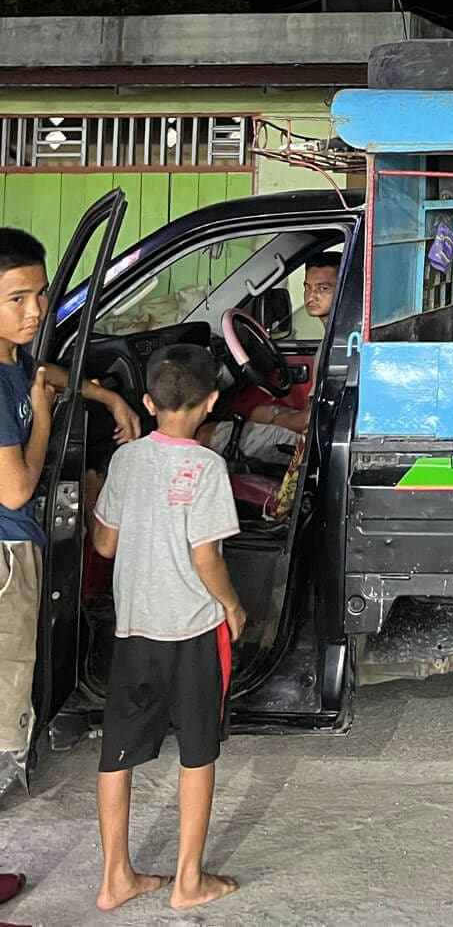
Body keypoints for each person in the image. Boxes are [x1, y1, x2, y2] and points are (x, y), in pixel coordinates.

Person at [92, 343, 242, 911]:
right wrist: (233, 604)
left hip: (135, 631)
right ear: (210, 403)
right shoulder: (208, 467)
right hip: (193, 632)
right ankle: (188, 881)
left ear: (149, 401)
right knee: (197, 754)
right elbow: (207, 558)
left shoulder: (126, 461)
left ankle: (115, 879)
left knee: (117, 755)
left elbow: (104, 544)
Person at [1, 228, 139, 801]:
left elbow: (45, 373)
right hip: (7, 552)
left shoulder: (13, 356)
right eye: (17, 299)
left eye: (40, 296)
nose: (35, 312)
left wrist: (104, 395)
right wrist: (44, 419)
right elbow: (14, 491)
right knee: (8, 685)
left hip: (16, 545)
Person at [206, 252, 339, 463]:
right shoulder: (333, 337)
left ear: (344, 290)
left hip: (314, 445)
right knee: (258, 412)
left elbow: (311, 420)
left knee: (206, 434)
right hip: (315, 429)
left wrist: (276, 421)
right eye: (307, 287)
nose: (311, 296)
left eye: (323, 288)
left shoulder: (339, 345)